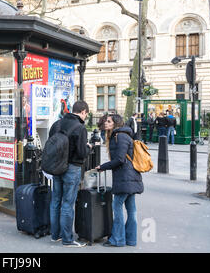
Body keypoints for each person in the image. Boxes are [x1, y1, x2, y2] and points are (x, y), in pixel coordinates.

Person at [95, 114, 144, 247]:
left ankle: (118, 239)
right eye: (106, 121)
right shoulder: (124, 135)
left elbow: (120, 159)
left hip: (125, 178)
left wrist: (102, 167)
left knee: (117, 207)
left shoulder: (120, 136)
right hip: (131, 177)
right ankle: (131, 239)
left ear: (116, 123)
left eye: (109, 122)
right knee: (131, 209)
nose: (106, 123)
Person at [48, 100, 92, 247]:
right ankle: (67, 239)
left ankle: (55, 235)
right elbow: (81, 153)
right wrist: (88, 147)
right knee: (67, 203)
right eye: (86, 114)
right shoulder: (80, 128)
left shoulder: (57, 124)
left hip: (56, 167)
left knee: (55, 201)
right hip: (72, 168)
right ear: (83, 111)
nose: (85, 117)